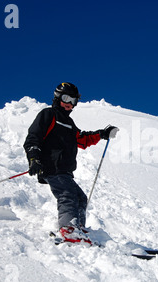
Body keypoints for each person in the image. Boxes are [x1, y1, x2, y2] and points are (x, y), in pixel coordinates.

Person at [23, 82, 118, 244]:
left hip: (64, 170)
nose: (69, 104)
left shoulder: (69, 124)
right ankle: (69, 229)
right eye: (66, 98)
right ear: (57, 98)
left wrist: (102, 134)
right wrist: (33, 158)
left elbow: (82, 140)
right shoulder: (48, 114)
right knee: (67, 195)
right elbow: (33, 137)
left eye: (73, 101)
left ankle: (78, 227)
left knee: (80, 198)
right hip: (51, 166)